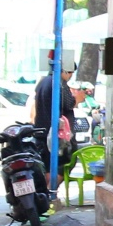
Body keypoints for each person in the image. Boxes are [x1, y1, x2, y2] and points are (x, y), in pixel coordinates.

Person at [28, 53, 78, 185]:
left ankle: (46, 193)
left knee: (48, 164)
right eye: (70, 73)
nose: (70, 76)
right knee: (65, 162)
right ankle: (51, 191)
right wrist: (78, 99)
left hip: (42, 130)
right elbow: (68, 104)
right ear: (65, 71)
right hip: (57, 133)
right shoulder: (59, 84)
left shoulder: (43, 82)